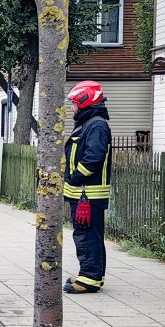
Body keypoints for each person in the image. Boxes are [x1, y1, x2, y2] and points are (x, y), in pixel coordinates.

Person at [63, 80, 112, 294]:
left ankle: (89, 279)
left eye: (74, 104)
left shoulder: (96, 125)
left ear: (85, 102)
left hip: (87, 194)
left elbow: (93, 157)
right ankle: (91, 274)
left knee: (86, 236)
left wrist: (74, 178)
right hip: (84, 194)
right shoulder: (90, 123)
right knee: (89, 235)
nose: (72, 108)